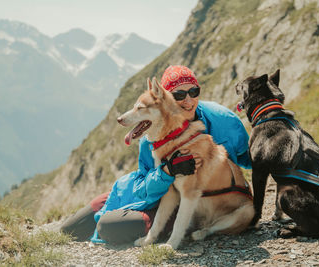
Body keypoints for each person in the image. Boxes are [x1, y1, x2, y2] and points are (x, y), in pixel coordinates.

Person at [60, 65, 252, 244]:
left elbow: (251, 159)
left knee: (108, 227)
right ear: (166, 101)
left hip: (197, 203)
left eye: (194, 91)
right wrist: (167, 171)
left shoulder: (224, 120)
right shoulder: (153, 134)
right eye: (179, 94)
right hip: (154, 191)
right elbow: (147, 184)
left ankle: (160, 229)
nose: (188, 100)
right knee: (72, 228)